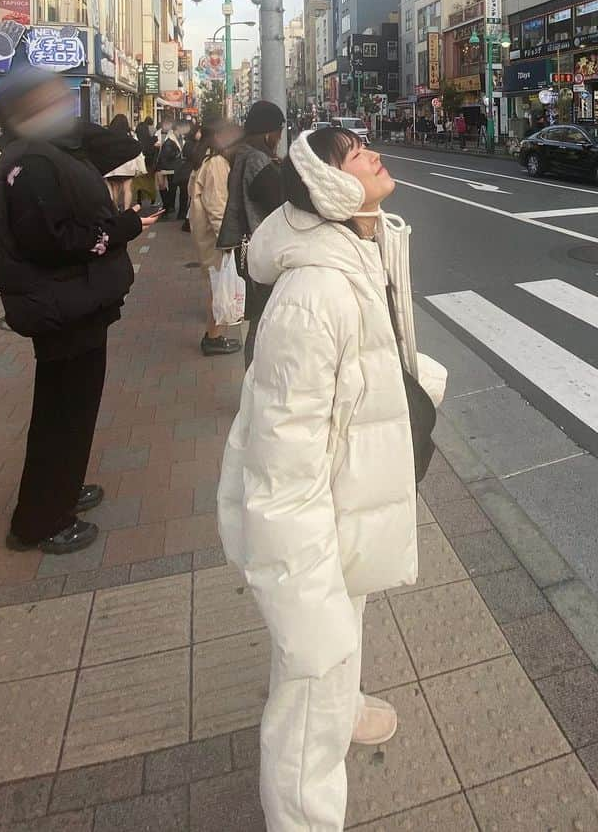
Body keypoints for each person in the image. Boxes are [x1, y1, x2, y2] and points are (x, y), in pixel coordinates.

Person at [217, 127, 447, 831]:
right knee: (312, 669)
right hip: (316, 509)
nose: (373, 154)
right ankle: (302, 816)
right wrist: (299, 578)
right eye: (353, 153)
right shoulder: (311, 294)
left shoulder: (359, 246)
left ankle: (345, 708)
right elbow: (280, 461)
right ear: (331, 186)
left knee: (348, 622)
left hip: (356, 485)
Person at [0, 68, 160, 555]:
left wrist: (69, 122)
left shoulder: (52, 151)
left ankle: (61, 491)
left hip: (75, 301)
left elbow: (119, 149)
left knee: (73, 408)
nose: (62, 107)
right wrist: (122, 229)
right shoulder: (32, 163)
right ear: (23, 111)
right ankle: (40, 519)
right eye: (48, 101)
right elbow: (51, 241)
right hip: (62, 302)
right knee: (62, 413)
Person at [217, 100, 286, 367]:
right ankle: (255, 383)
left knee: (260, 320)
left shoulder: (244, 154)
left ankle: (254, 380)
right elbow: (279, 201)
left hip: (247, 247)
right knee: (263, 322)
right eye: (279, 131)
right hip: (261, 251)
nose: (280, 137)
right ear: (269, 132)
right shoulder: (257, 160)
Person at [189, 116, 243, 356]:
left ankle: (214, 335)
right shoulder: (217, 164)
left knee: (216, 288)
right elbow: (217, 205)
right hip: (214, 239)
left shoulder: (206, 160)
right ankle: (214, 337)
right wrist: (228, 239)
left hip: (206, 235)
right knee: (218, 288)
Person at [104, 114, 146, 211]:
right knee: (127, 189)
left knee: (114, 188)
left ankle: (115, 209)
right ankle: (127, 210)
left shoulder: (109, 136)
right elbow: (137, 150)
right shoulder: (130, 135)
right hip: (128, 166)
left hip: (114, 166)